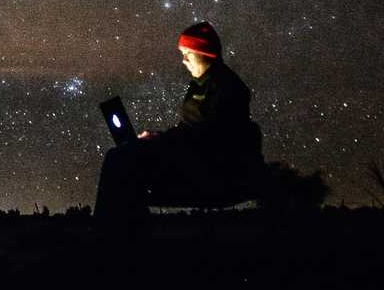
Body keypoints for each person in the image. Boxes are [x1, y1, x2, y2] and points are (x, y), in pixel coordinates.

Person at [93, 21, 263, 223]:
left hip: (206, 166)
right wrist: (159, 138)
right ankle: (124, 227)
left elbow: (206, 137)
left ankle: (109, 231)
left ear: (205, 53)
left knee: (120, 158)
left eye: (188, 54)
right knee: (124, 156)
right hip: (190, 156)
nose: (183, 60)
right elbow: (190, 129)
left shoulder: (226, 88)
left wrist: (162, 143)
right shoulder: (200, 85)